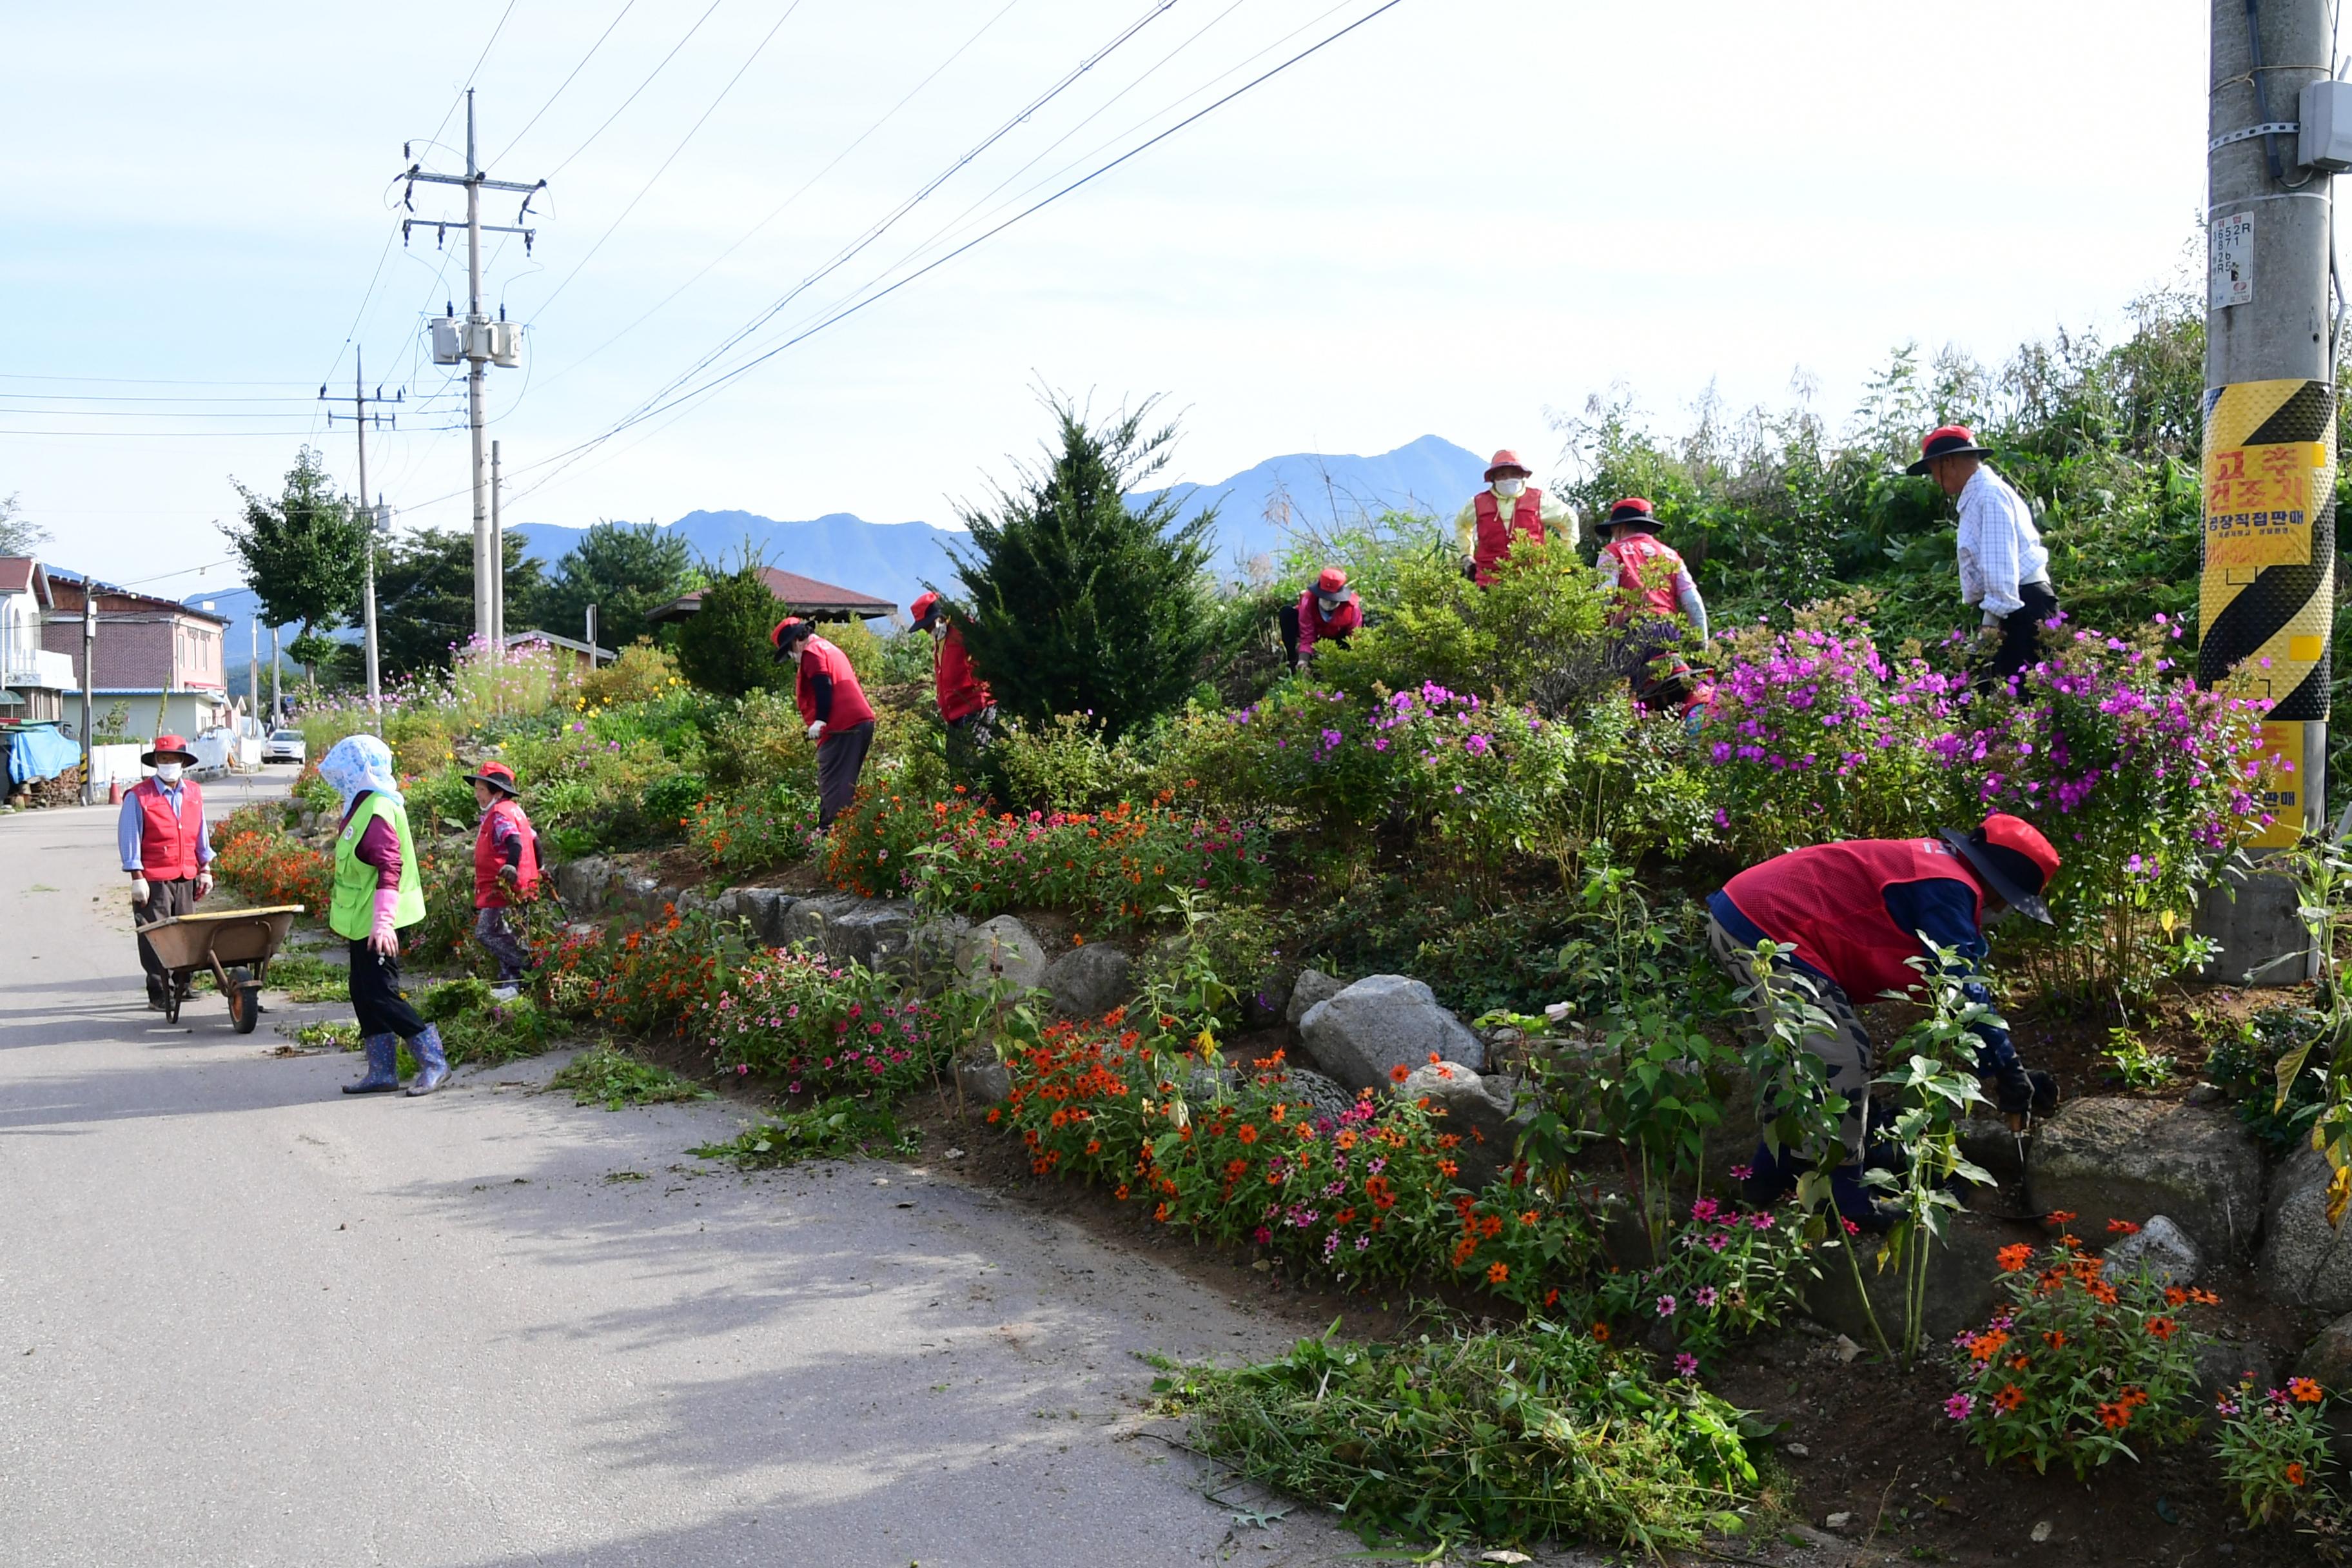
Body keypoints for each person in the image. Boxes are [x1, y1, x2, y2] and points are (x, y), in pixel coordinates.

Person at [1705, 812, 2063, 1228]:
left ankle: (1766, 1182)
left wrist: (2003, 1068)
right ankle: (1844, 1202)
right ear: (1999, 886)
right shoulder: (1948, 886)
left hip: (1747, 916)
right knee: (1842, 1058)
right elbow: (1963, 985)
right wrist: (2010, 1072)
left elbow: (1948, 984)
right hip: (1769, 926)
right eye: (2011, 902)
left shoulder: (1936, 867)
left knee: (1798, 1067)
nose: (2003, 912)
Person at [320, 734, 447, 1097]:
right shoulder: (361, 805)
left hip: (378, 922)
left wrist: (383, 924)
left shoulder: (376, 809)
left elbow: (390, 866)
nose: (338, 779)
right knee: (362, 992)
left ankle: (434, 1061)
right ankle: (382, 1071)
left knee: (381, 994)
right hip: (361, 920)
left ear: (360, 771)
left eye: (344, 772)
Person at [1908, 425, 2057, 689]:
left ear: (1948, 462)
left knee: (2017, 699)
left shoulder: (1989, 496)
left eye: (1933, 470)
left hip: (2022, 607)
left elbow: (2000, 568)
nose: (1934, 479)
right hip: (2014, 607)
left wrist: (1989, 628)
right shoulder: (1980, 496)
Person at [121, 734, 213, 1011]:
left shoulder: (194, 793)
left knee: (186, 933)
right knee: (156, 936)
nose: (169, 763)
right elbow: (130, 837)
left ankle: (183, 984)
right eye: (163, 759)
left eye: (174, 759)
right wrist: (137, 876)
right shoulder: (139, 796)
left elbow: (201, 833)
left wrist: (205, 868)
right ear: (156, 762)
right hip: (154, 879)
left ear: (183, 762)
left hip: (186, 874)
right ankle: (159, 990)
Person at [1594, 497, 1709, 713]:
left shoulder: (1613, 551)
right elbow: (1694, 605)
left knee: (1626, 702)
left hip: (1630, 634)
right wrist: (1701, 648)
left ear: (1620, 527)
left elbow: (1604, 597)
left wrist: (1593, 639)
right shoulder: (1671, 556)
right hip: (1668, 633)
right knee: (1676, 699)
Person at [773, 616, 877, 831]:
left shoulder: (812, 652)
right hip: (859, 721)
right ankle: (844, 834)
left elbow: (823, 685)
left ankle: (832, 834)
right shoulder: (829, 648)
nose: (792, 657)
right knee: (844, 781)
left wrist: (820, 720)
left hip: (842, 727)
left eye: (789, 650)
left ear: (797, 640)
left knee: (833, 782)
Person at [465, 761, 541, 1003]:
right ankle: (512, 983)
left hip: (504, 885)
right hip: (522, 884)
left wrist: (511, 864)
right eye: (476, 788)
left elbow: (515, 842)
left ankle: (528, 966)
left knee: (486, 932)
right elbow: (535, 841)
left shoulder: (499, 814)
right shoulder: (515, 810)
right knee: (508, 931)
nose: (477, 794)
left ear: (497, 792)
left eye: (481, 789)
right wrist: (541, 868)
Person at [1453, 449, 1577, 585]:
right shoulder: (1477, 503)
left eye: (1514, 474)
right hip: (1488, 580)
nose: (1508, 479)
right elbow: (1461, 524)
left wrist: (1565, 555)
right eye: (1502, 474)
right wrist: (1466, 555)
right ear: (1493, 477)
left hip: (1532, 580)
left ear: (1522, 475)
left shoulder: (1540, 499)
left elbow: (1569, 519)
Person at [908, 591, 995, 745]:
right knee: (957, 762)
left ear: (942, 617)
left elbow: (987, 657)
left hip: (974, 706)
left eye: (929, 625)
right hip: (954, 712)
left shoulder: (964, 631)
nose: (928, 630)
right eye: (924, 628)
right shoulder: (941, 640)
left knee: (974, 759)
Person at [1279, 567, 1362, 669]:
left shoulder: (1353, 608)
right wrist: (1303, 661)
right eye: (1325, 599)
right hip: (1316, 632)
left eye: (1333, 601)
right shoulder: (1308, 602)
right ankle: (1292, 661)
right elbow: (1307, 636)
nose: (1329, 603)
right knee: (1287, 614)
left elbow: (1354, 638)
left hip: (1337, 636)